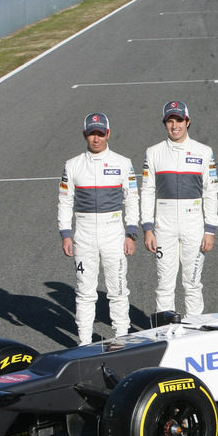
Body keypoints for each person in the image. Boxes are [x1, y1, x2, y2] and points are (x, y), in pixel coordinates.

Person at [58, 113, 139, 344]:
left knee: (118, 290)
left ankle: (122, 340)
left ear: (108, 134)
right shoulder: (72, 165)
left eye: (100, 133)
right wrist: (65, 234)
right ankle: (84, 343)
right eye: (92, 133)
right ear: (85, 134)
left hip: (113, 232)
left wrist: (131, 233)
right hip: (83, 234)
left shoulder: (122, 163)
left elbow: (132, 199)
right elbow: (64, 201)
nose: (96, 138)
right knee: (85, 292)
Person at [141, 101, 218, 318]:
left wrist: (210, 230)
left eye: (179, 120)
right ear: (165, 123)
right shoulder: (153, 152)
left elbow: (211, 192)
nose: (175, 126)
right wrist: (147, 228)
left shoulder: (204, 152)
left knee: (192, 282)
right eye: (170, 121)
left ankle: (194, 331)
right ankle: (165, 334)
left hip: (194, 226)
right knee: (164, 283)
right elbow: (147, 190)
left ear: (188, 121)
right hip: (163, 228)